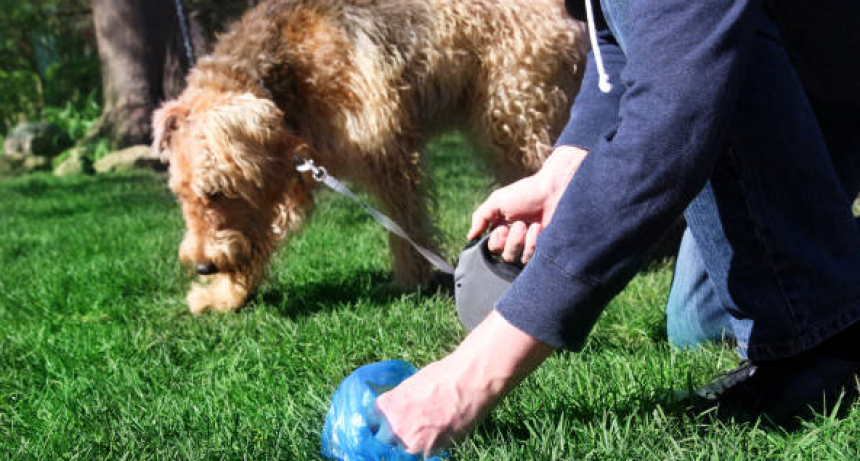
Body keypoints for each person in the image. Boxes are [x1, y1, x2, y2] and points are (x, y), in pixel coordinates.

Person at [375, 0, 860, 456]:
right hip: (804, 76)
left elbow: (668, 130)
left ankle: (824, 342)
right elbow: (621, 44)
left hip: (827, 84)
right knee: (699, 326)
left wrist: (466, 379)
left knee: (797, 327)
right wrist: (561, 170)